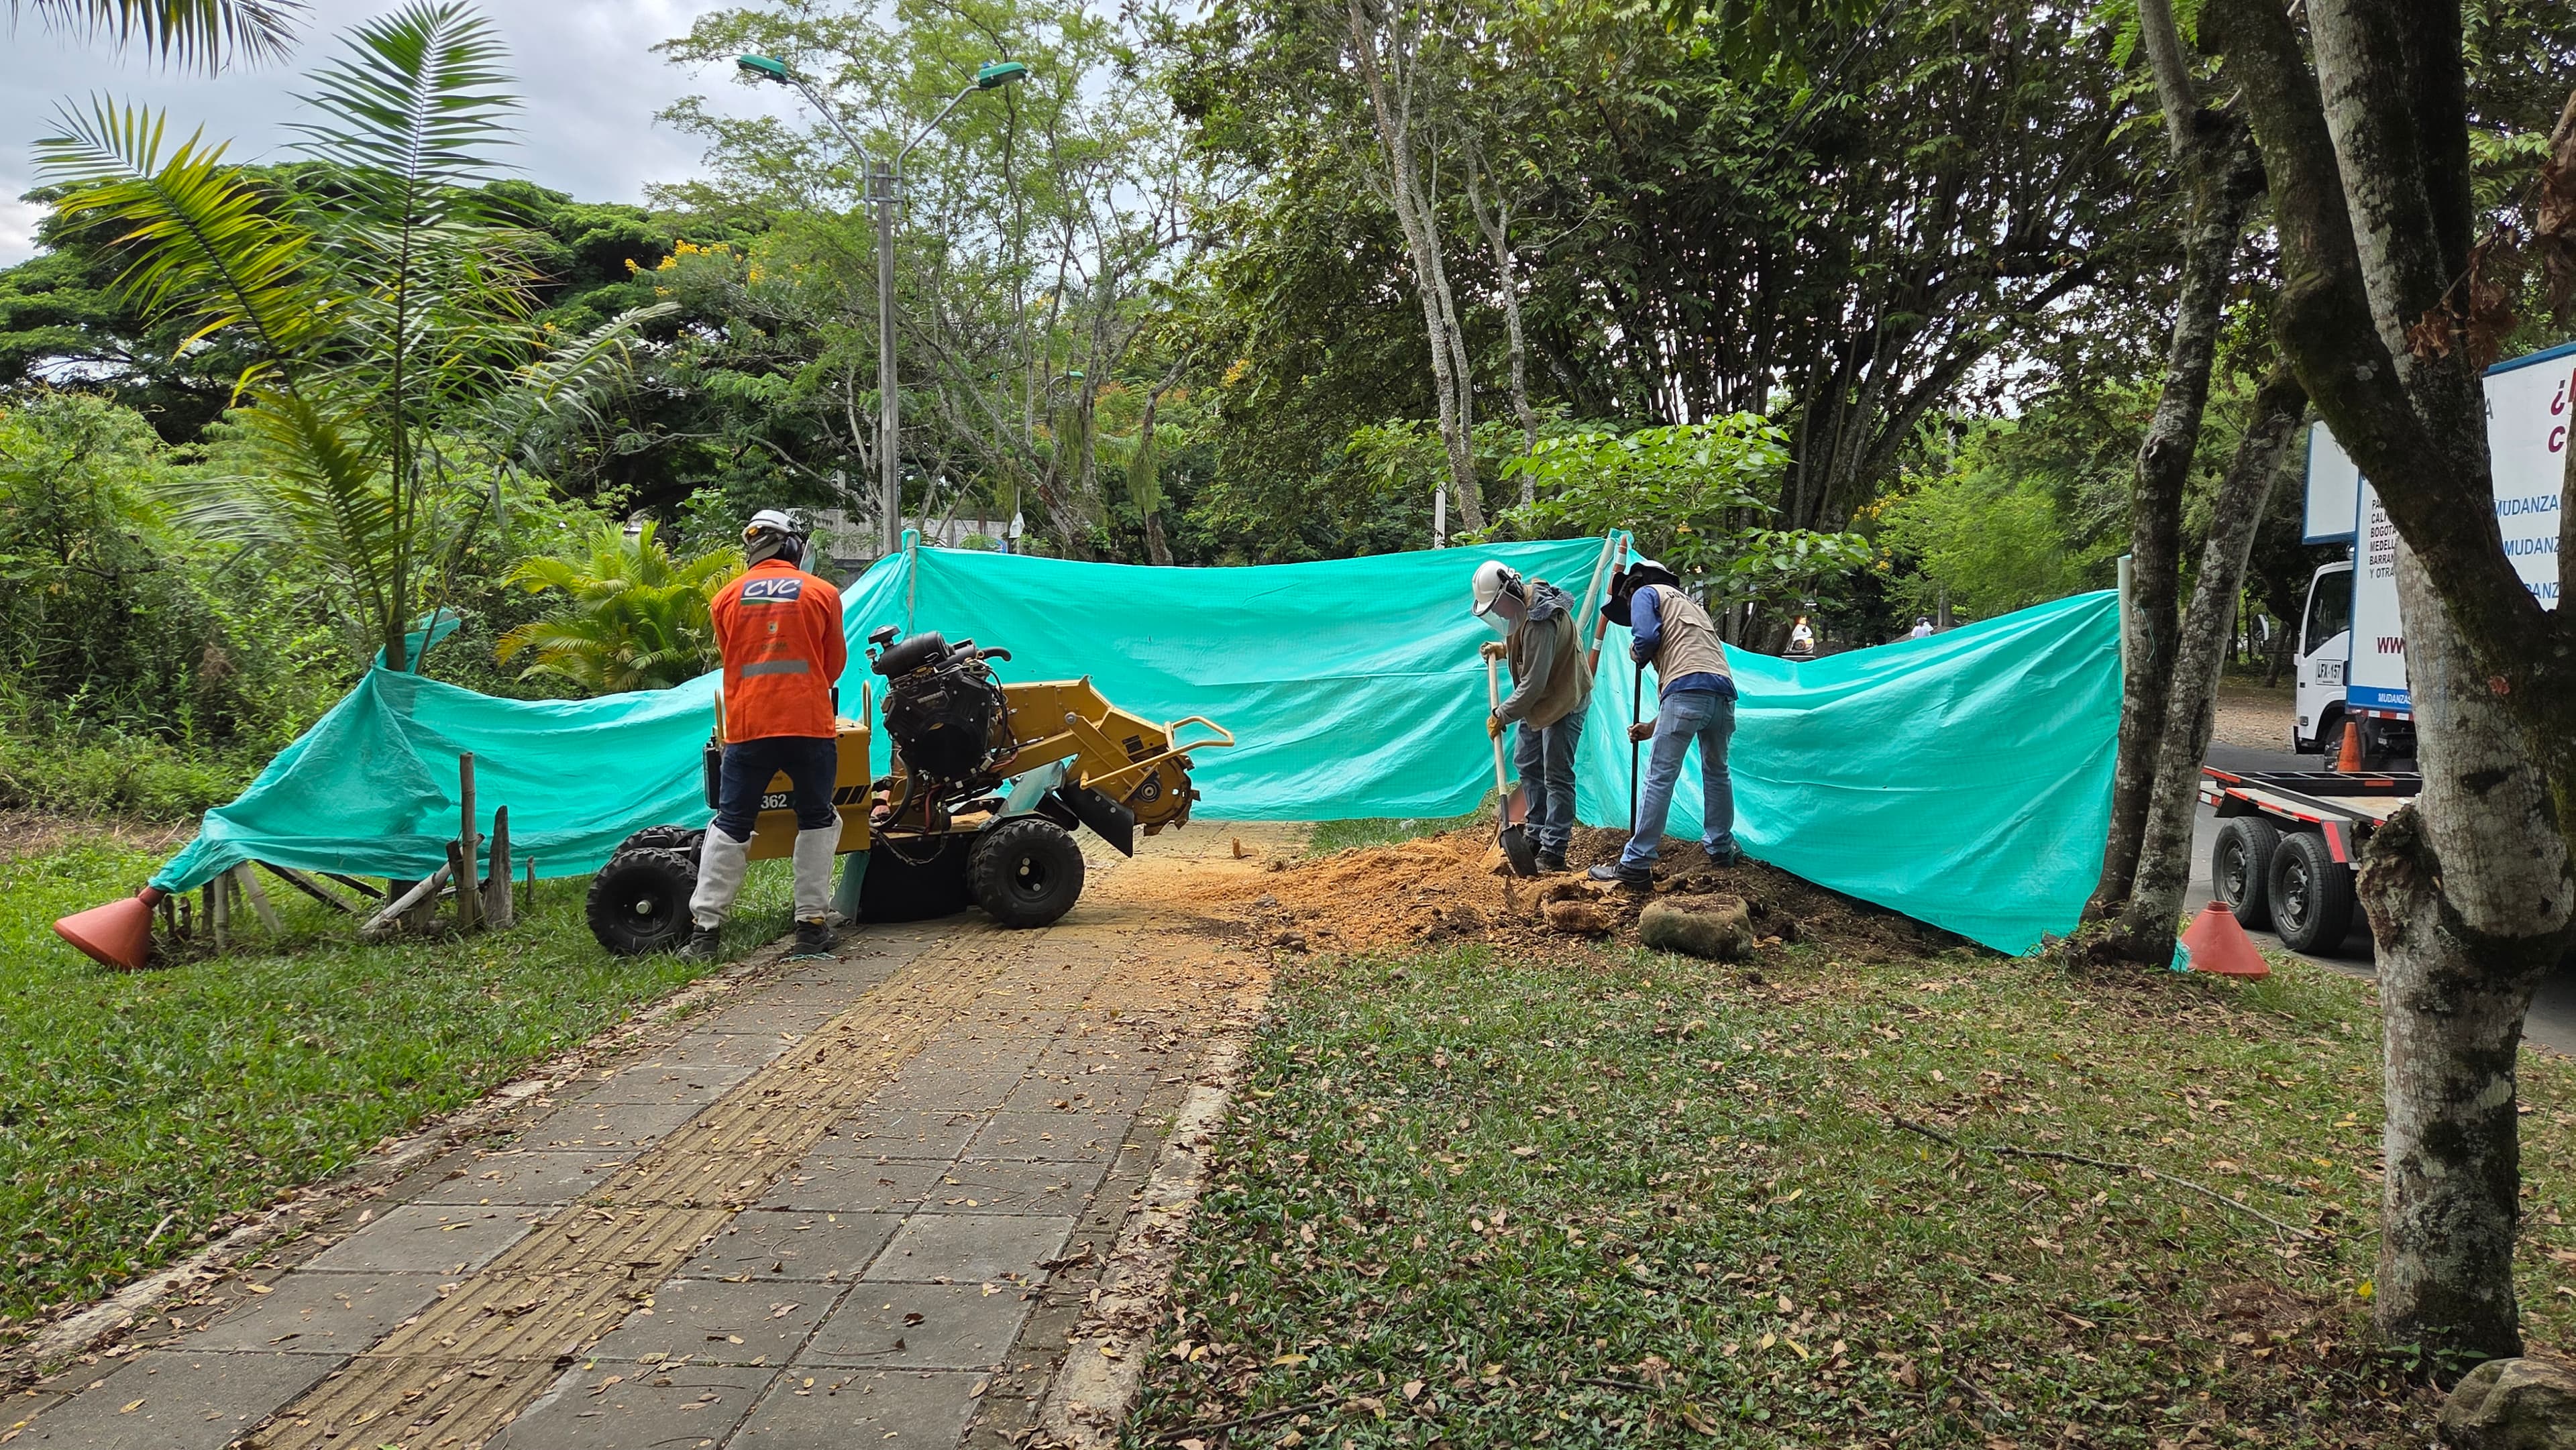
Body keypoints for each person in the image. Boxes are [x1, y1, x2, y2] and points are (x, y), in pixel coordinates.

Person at [684, 509, 849, 960]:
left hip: (748, 726)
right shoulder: (822, 592)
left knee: (732, 824)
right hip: (809, 725)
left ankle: (705, 934)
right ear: (792, 545)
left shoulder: (725, 598)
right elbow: (834, 665)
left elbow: (730, 658)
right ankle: (811, 928)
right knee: (817, 819)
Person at [1592, 559, 1737, 885]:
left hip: (1686, 691)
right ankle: (1721, 848)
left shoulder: (1645, 594)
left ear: (1632, 587)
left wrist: (1637, 651)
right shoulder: (1693, 607)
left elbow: (1646, 639)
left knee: (1659, 777)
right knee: (1717, 773)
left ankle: (1636, 863)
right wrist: (1652, 726)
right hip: (1723, 694)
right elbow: (1698, 684)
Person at [1471, 561, 1591, 874]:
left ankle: (1554, 849)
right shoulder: (1523, 606)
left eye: (1499, 605)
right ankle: (1536, 832)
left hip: (1563, 698)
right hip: (1538, 701)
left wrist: (1503, 714)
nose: (1501, 613)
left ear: (1510, 589)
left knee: (1556, 774)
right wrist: (1503, 647)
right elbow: (1528, 645)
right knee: (1527, 762)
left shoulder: (1541, 617)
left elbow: (1533, 682)